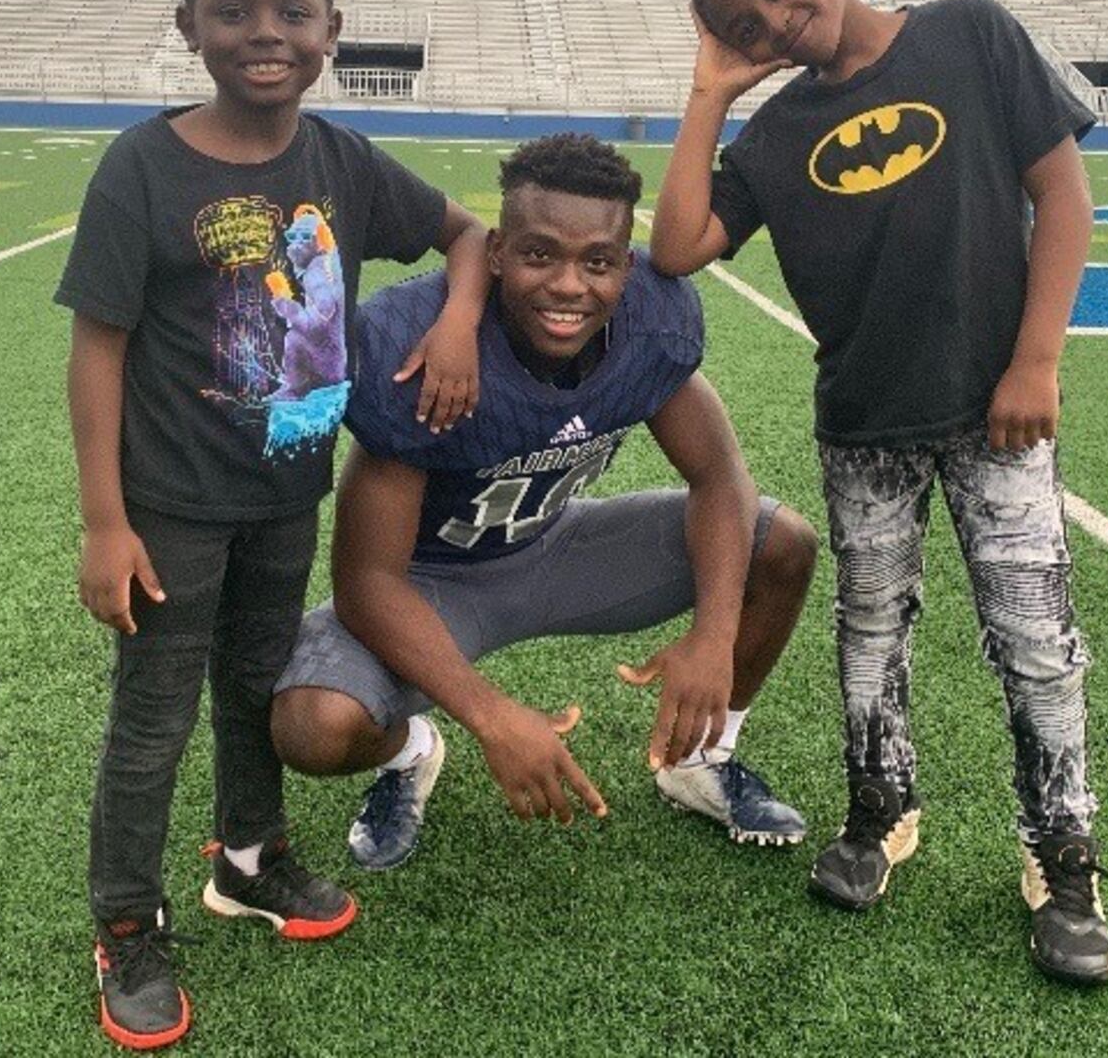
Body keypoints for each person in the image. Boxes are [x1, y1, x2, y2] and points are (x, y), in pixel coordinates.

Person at [651, 0, 1108, 987]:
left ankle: (1063, 853)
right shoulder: (769, 133)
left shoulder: (968, 32)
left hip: (996, 411)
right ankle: (880, 807)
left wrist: (1034, 361)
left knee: (1034, 637)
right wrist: (713, 93)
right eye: (742, 23)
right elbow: (675, 247)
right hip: (864, 423)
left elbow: (1062, 193)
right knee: (868, 632)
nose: (773, 19)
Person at [55, 0, 490, 1051]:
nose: (265, 32)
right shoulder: (142, 167)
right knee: (152, 720)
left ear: (332, 30)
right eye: (234, 9)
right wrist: (106, 520)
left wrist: (457, 326)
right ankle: (126, 921)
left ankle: (249, 860)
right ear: (187, 24)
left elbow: (470, 235)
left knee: (258, 684)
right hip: (169, 508)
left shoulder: (339, 160)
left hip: (289, 496)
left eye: (291, 12)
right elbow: (97, 346)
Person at [269, 133, 819, 872]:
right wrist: (490, 714)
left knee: (780, 543)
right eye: (540, 254)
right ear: (496, 252)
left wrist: (714, 636)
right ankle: (410, 751)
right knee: (314, 726)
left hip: (557, 548)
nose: (569, 285)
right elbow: (368, 581)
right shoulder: (424, 343)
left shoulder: (653, 323)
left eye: (597, 262)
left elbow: (719, 476)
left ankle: (702, 758)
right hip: (435, 583)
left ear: (627, 265)